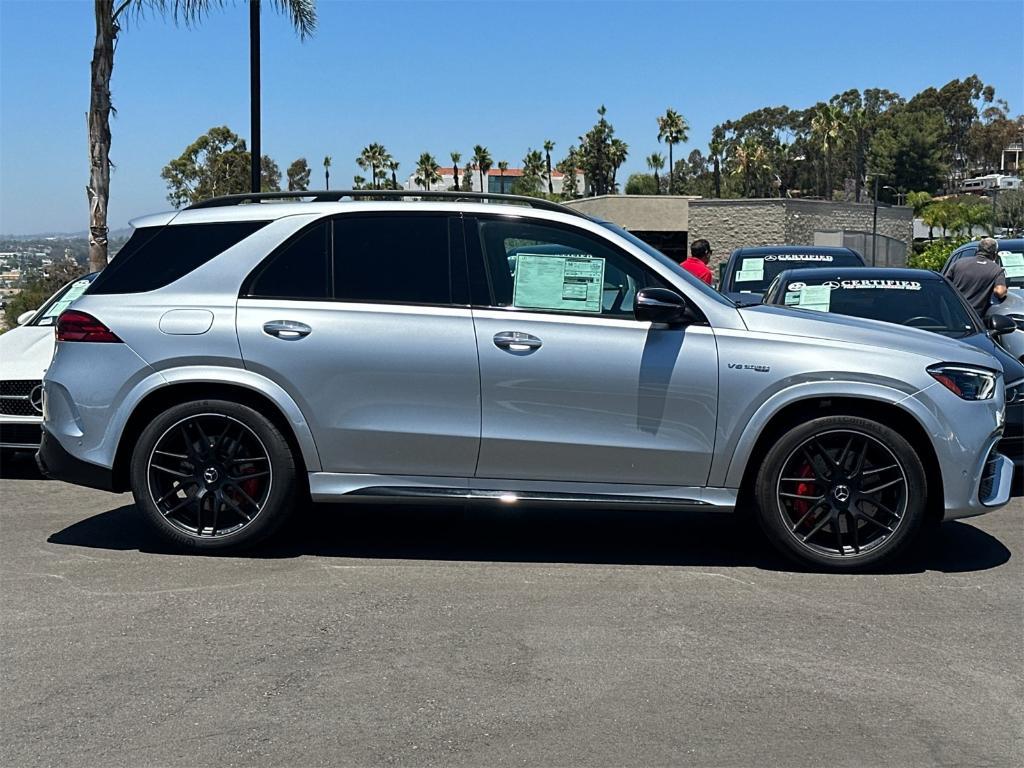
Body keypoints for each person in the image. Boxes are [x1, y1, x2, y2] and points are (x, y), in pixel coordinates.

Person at [947, 237, 1007, 316]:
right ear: (995, 254)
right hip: (974, 317)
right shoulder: (996, 269)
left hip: (952, 313)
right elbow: (1000, 292)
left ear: (977, 250)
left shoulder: (958, 263)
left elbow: (944, 284)